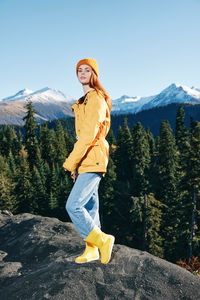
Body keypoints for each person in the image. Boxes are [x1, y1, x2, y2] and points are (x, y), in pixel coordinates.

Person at [63, 58, 115, 264]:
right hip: (87, 160)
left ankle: (102, 240)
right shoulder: (84, 101)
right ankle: (92, 249)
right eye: (79, 70)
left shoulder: (96, 99)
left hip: (93, 159)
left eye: (87, 70)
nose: (83, 73)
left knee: (73, 205)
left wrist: (70, 163)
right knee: (90, 206)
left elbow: (88, 136)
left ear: (94, 74)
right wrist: (77, 165)